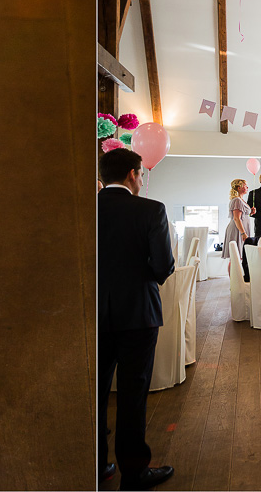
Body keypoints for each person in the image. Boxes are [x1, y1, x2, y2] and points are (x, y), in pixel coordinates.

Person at [98, 147, 176, 490]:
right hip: (138, 314)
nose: (142, 179)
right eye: (142, 173)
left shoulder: (85, 209)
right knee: (133, 395)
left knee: (95, 393)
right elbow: (162, 266)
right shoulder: (150, 209)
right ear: (133, 174)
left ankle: (97, 464)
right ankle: (134, 473)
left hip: (93, 315)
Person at [220, 178, 250, 271]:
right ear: (239, 187)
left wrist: (250, 212)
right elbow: (236, 218)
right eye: (245, 185)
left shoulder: (240, 200)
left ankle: (235, 281)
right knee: (234, 257)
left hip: (239, 229)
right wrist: (243, 233)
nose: (247, 187)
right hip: (237, 230)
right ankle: (234, 282)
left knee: (237, 257)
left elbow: (242, 215)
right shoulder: (237, 200)